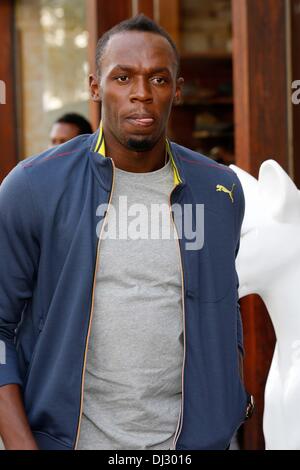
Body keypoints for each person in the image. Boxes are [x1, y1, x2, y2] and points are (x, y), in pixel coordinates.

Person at [0, 15, 253, 451]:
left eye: (158, 78)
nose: (141, 93)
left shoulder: (220, 191)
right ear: (96, 88)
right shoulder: (33, 187)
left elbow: (222, 314)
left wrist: (225, 417)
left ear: (177, 89)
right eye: (123, 77)